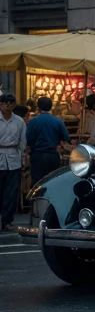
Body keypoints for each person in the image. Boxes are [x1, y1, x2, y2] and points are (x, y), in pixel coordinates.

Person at [25, 97, 70, 183]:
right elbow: (66, 137)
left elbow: (28, 139)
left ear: (38, 107)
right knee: (52, 181)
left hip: (38, 155)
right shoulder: (58, 121)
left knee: (38, 182)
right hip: (53, 155)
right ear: (51, 106)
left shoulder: (33, 121)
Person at [0, 94, 26, 231]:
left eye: (10, 103)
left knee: (10, 193)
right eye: (4, 103)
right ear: (0, 105)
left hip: (13, 159)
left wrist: (21, 156)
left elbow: (23, 141)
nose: (7, 105)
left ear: (14, 105)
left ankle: (7, 221)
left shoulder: (19, 121)